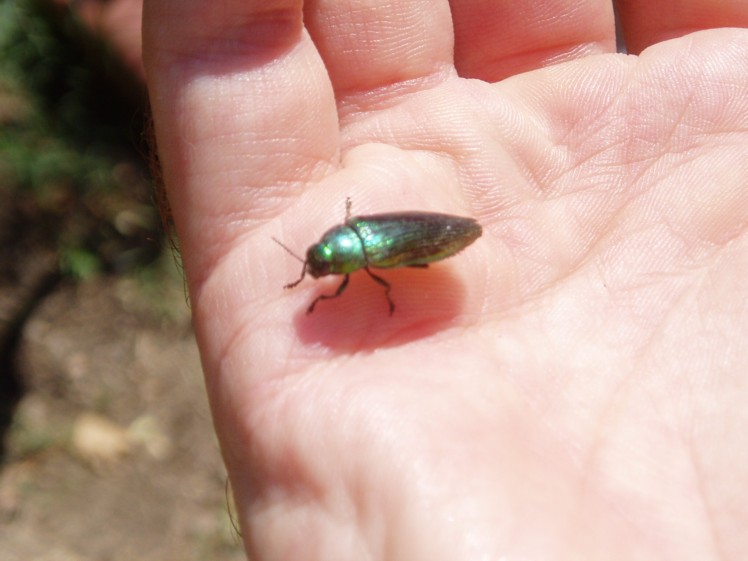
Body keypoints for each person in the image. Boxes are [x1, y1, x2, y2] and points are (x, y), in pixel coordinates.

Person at [142, 1, 748, 559]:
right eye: (318, 267)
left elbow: (354, 268)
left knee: (399, 271)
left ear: (338, 254)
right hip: (404, 239)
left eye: (319, 265)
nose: (317, 272)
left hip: (421, 238)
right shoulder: (350, 246)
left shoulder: (357, 259)